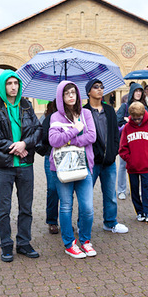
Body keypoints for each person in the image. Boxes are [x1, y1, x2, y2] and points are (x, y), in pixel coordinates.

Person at [0, 71, 42, 262]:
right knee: (4, 209)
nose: (13, 87)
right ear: (3, 86)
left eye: (16, 83)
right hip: (3, 166)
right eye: (9, 83)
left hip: (26, 164)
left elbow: (38, 130)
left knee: (26, 207)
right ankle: (6, 246)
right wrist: (13, 147)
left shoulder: (26, 105)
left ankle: (24, 243)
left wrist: (24, 144)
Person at [49, 81, 97, 258]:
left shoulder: (86, 114)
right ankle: (69, 243)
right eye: (67, 93)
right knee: (66, 206)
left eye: (73, 92)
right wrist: (75, 130)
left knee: (87, 208)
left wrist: (69, 140)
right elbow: (54, 141)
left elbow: (92, 136)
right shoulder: (56, 117)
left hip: (84, 167)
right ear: (61, 97)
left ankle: (85, 240)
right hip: (62, 169)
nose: (71, 96)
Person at [84, 79, 128, 234]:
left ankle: (110, 222)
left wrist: (113, 151)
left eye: (102, 87)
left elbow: (115, 133)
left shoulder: (109, 110)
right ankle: (83, 223)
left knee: (110, 195)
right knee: (86, 197)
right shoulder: (84, 112)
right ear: (89, 91)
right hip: (91, 162)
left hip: (109, 161)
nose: (100, 89)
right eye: (96, 87)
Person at [119, 102, 148, 223]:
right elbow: (122, 148)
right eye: (134, 119)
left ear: (143, 115)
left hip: (145, 165)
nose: (136, 121)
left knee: (147, 188)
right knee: (134, 190)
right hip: (132, 166)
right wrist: (129, 159)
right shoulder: (127, 128)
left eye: (139, 118)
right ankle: (139, 212)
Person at [115, 83, 145, 199]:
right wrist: (128, 122)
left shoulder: (143, 106)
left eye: (140, 91)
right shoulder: (125, 106)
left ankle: (140, 190)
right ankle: (121, 190)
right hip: (126, 140)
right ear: (132, 92)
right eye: (136, 91)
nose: (138, 93)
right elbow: (118, 121)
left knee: (141, 165)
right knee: (123, 165)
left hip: (139, 140)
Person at [36, 100, 60, 235]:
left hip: (67, 156)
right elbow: (42, 136)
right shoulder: (47, 117)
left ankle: (65, 220)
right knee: (52, 189)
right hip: (51, 156)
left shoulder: (70, 115)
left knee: (66, 191)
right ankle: (52, 221)